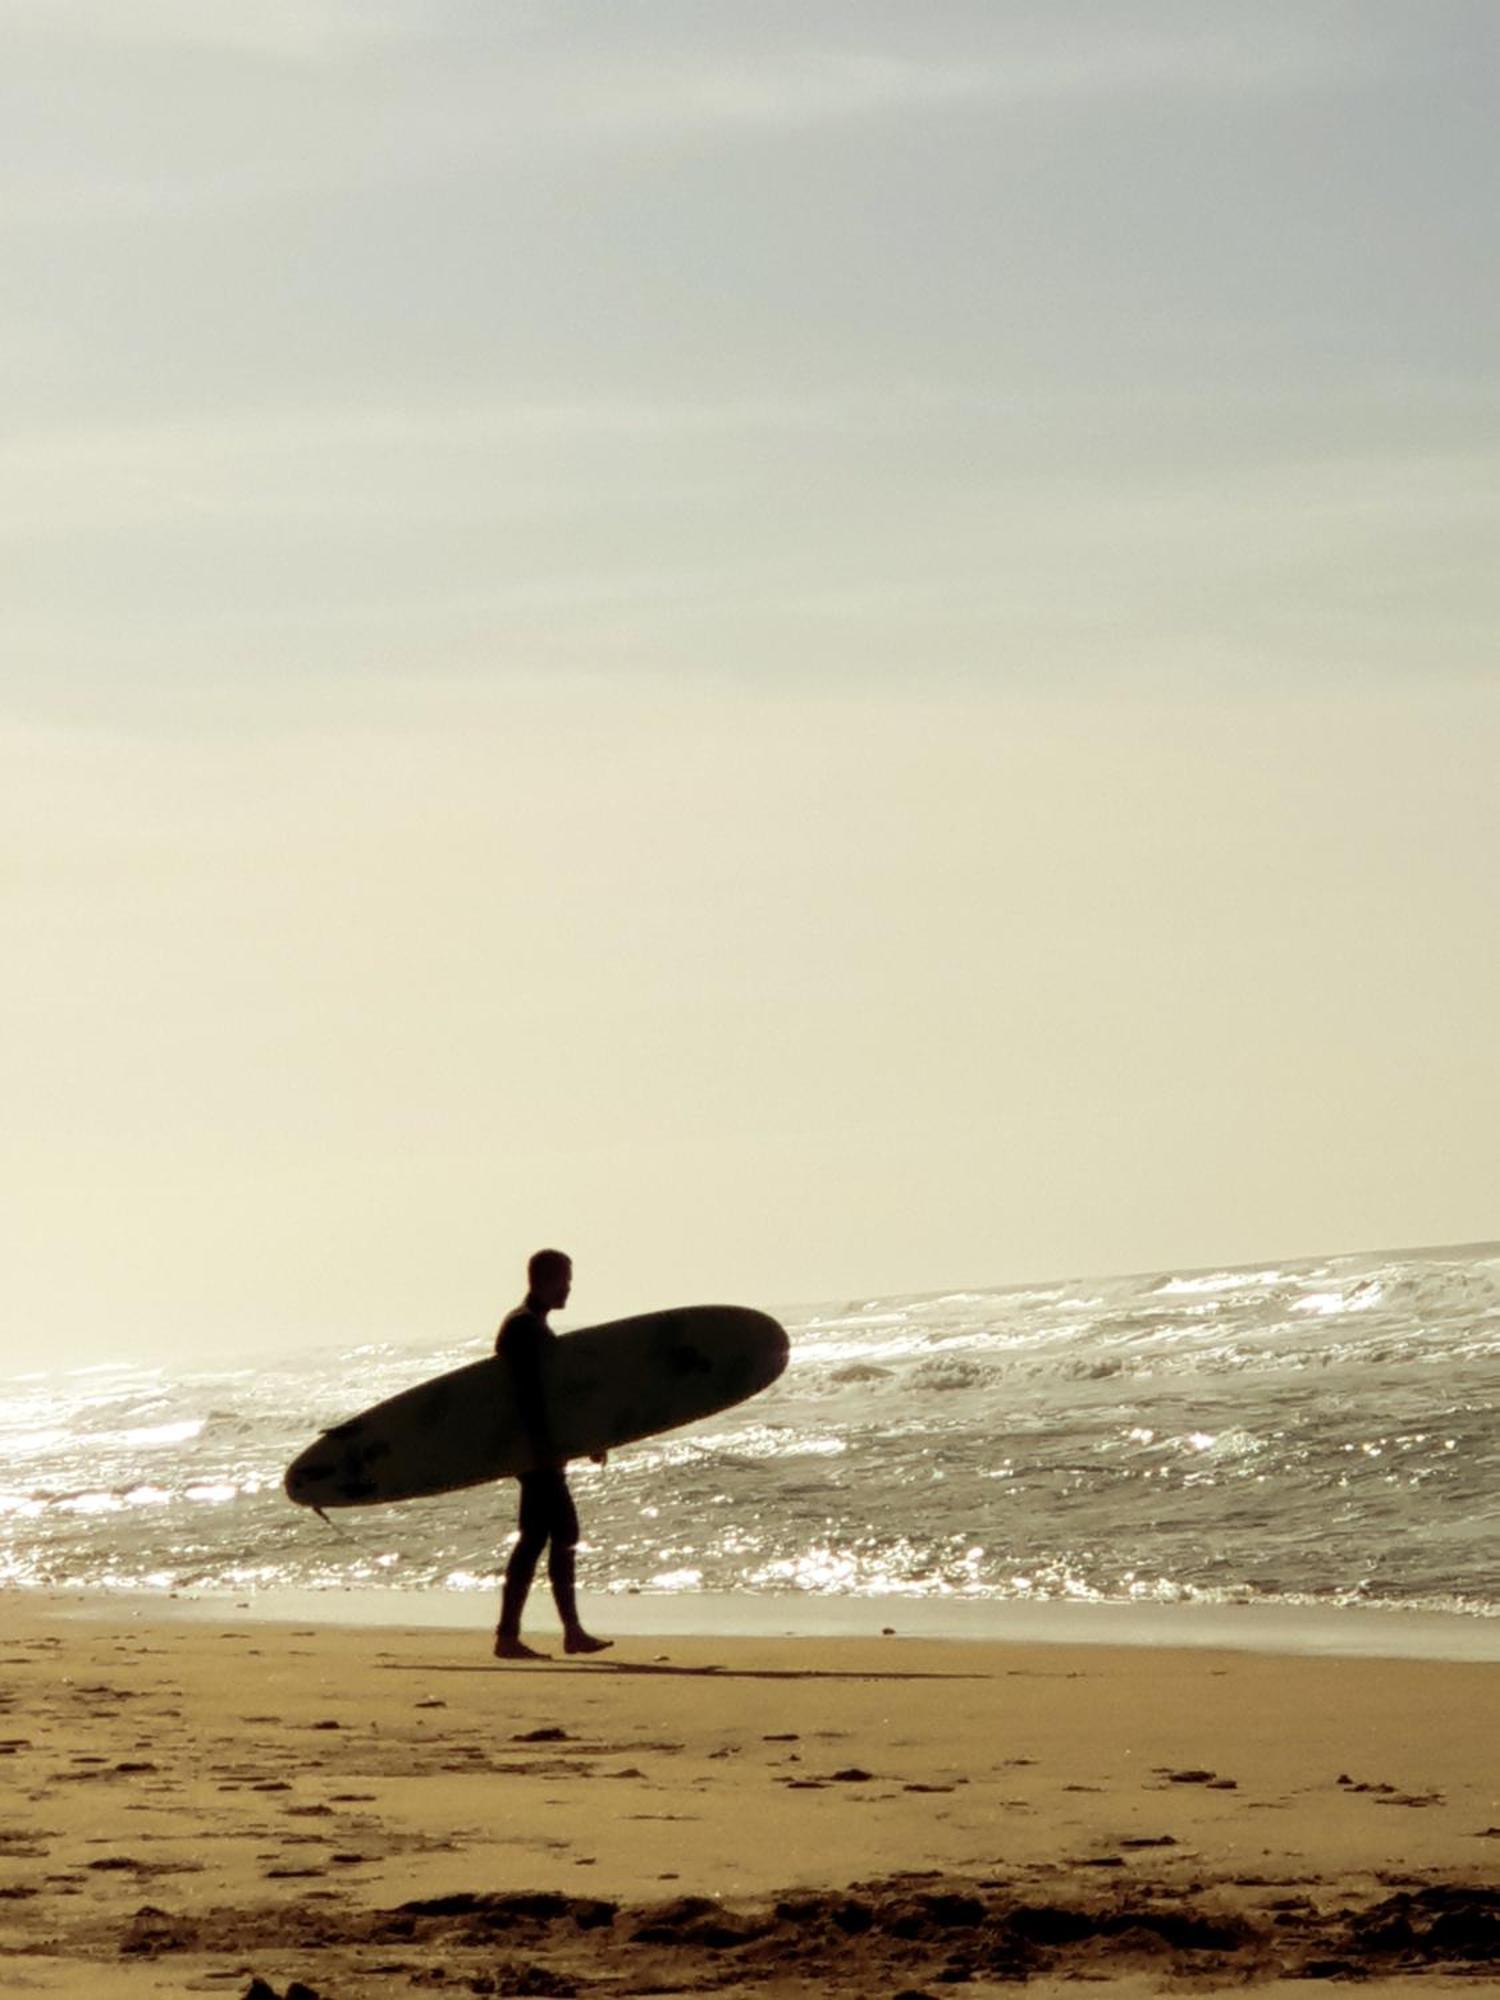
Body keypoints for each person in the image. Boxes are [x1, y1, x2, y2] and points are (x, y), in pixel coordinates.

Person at [493, 1248, 611, 1660]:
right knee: (561, 1535)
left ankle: (512, 1636)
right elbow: (539, 1399)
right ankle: (566, 1633)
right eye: (565, 1281)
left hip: (537, 1453)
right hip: (538, 1454)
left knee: (538, 1539)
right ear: (545, 1281)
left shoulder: (527, 1325)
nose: (569, 1289)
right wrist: (569, 1443)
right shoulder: (526, 1329)